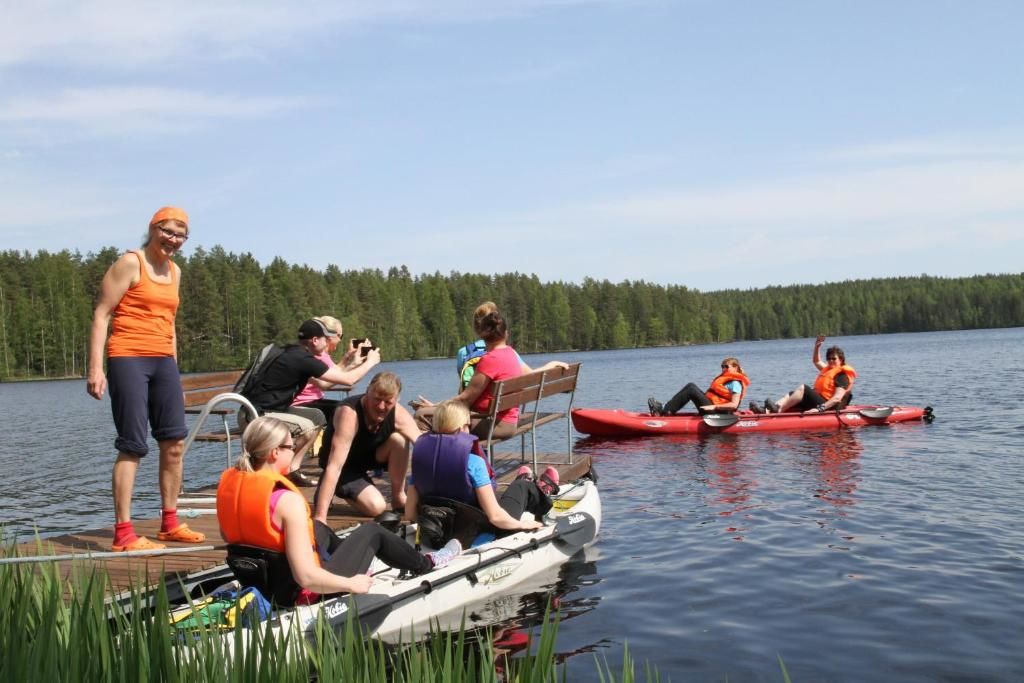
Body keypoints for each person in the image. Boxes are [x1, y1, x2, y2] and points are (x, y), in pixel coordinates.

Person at [216, 416, 460, 607]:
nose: (295, 451)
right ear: (274, 452)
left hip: (264, 581)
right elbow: (306, 578)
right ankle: (427, 563)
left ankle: (357, 558)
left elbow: (234, 537)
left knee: (318, 527)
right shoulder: (287, 501)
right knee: (372, 531)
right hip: (299, 593)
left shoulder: (231, 486)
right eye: (292, 446)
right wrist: (351, 583)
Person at [86, 206, 206, 551]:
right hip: (127, 357)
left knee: (174, 443)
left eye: (180, 235)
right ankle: (123, 534)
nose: (173, 240)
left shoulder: (176, 272)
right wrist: (96, 368)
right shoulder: (130, 263)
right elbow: (101, 314)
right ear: (153, 229)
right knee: (133, 444)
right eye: (168, 231)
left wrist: (175, 372)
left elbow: (169, 324)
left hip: (163, 361)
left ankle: (169, 523)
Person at [241, 318, 380, 487]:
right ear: (315, 340)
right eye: (325, 339)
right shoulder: (302, 359)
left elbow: (323, 383)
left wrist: (353, 363)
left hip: (264, 410)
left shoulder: (295, 352)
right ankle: (280, 470)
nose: (328, 342)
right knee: (306, 426)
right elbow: (348, 381)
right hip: (257, 414)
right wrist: (371, 362)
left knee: (316, 416)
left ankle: (293, 469)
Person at [405, 400, 559, 540]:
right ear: (462, 427)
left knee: (517, 488)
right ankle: (545, 507)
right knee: (522, 487)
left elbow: (410, 514)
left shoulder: (419, 461)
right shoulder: (473, 463)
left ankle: (529, 483)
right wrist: (522, 525)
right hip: (477, 532)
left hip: (438, 531)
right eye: (468, 425)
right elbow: (495, 517)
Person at [414, 311, 568, 440]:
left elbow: (465, 398)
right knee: (438, 416)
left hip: (493, 424)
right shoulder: (511, 353)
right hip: (508, 421)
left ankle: (429, 466)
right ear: (506, 333)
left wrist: (435, 406)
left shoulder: (489, 360)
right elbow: (532, 375)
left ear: (482, 335)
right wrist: (551, 364)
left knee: (422, 415)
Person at [313, 372, 421, 521]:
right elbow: (335, 466)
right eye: (377, 399)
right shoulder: (349, 414)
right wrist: (320, 518)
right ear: (367, 392)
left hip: (368, 457)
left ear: (397, 400)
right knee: (376, 508)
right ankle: (330, 488)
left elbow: (423, 446)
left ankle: (398, 498)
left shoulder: (398, 413)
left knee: (400, 439)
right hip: (343, 465)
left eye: (388, 402)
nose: (382, 407)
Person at [290, 315, 372, 468]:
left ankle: (331, 455)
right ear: (329, 336)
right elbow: (334, 381)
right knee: (345, 412)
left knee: (342, 410)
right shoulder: (315, 355)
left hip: (306, 401)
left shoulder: (319, 354)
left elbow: (337, 373)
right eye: (340, 336)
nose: (340, 340)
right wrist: (369, 362)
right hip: (302, 403)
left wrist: (349, 359)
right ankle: (333, 457)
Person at [754, 335, 857, 414]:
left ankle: (778, 411)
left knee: (803, 388)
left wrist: (818, 409)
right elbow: (816, 361)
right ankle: (768, 410)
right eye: (829, 358)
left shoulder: (842, 376)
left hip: (828, 406)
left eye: (834, 358)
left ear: (841, 360)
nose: (830, 361)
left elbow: (837, 398)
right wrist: (817, 346)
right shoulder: (828, 369)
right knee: (792, 393)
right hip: (820, 401)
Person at [647, 357, 750, 416]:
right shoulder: (725, 380)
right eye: (722, 366)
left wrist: (714, 406)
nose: (723, 369)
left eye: (726, 367)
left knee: (692, 389)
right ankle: (667, 408)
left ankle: (664, 411)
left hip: (718, 412)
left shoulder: (735, 383)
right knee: (690, 386)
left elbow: (734, 405)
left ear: (735, 367)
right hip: (710, 407)